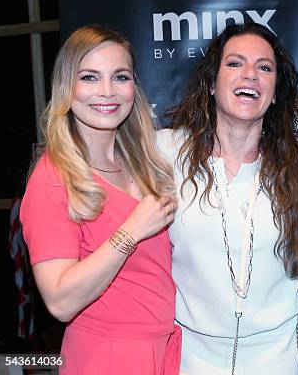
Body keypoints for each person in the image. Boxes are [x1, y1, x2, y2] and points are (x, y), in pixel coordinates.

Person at [156, 22, 298, 375]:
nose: (250, 75)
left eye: (264, 67)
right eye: (235, 64)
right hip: (189, 358)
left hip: (277, 357)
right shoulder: (166, 152)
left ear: (275, 92)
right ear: (211, 84)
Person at [20, 25, 181, 374]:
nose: (107, 92)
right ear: (67, 87)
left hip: (162, 349)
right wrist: (130, 231)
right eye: (90, 77)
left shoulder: (143, 163)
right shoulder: (53, 177)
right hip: (106, 357)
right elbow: (60, 301)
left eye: (120, 77)